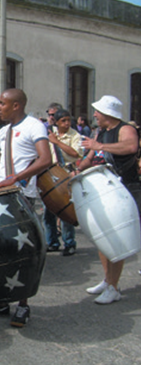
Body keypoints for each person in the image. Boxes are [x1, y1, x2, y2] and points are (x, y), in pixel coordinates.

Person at [0, 88, 52, 327]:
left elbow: (46, 159)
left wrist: (17, 177)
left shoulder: (34, 126)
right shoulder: (3, 132)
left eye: (3, 104)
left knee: (21, 252)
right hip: (0, 197)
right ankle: (1, 300)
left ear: (16, 105)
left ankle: (23, 305)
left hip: (21, 196)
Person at [78, 95, 140, 305]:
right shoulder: (101, 132)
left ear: (107, 114)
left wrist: (100, 146)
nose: (94, 114)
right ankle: (107, 280)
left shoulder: (124, 129)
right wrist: (76, 171)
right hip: (105, 188)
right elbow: (89, 157)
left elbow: (130, 147)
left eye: (97, 111)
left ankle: (114, 287)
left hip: (125, 188)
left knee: (116, 236)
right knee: (102, 235)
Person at [44, 108, 83, 256]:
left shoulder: (74, 135)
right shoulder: (49, 134)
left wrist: (57, 143)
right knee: (49, 211)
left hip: (66, 173)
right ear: (57, 122)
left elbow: (75, 153)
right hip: (50, 174)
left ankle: (69, 242)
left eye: (68, 120)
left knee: (65, 210)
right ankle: (52, 242)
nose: (67, 124)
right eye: (63, 121)